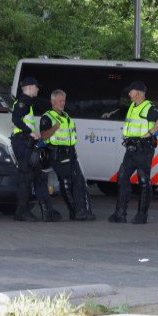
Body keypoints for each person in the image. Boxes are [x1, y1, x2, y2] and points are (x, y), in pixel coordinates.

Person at [112, 79, 158, 224]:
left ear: (139, 92)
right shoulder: (133, 106)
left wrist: (150, 133)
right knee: (122, 177)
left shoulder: (148, 107)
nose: (129, 93)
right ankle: (120, 213)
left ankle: (142, 215)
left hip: (143, 149)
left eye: (131, 90)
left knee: (143, 181)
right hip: (131, 149)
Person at [40, 89, 95, 221]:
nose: (63, 103)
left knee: (78, 182)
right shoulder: (48, 117)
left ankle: (81, 210)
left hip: (70, 153)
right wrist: (55, 127)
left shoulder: (66, 115)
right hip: (57, 154)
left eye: (64, 100)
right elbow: (44, 136)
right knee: (65, 183)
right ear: (53, 102)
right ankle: (74, 211)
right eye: (60, 101)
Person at [9, 76, 46, 222]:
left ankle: (24, 211)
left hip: (26, 142)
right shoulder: (23, 102)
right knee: (25, 177)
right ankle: (21, 212)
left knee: (30, 176)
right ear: (30, 87)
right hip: (22, 142)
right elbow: (16, 119)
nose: (38, 89)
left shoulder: (28, 102)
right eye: (36, 87)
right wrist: (29, 132)